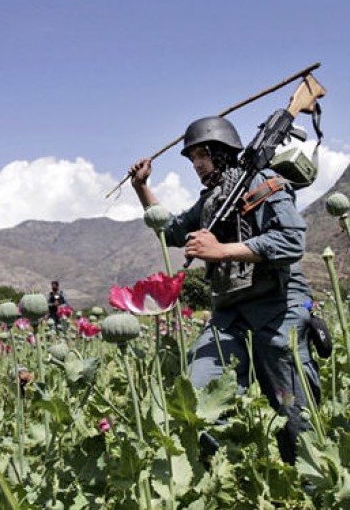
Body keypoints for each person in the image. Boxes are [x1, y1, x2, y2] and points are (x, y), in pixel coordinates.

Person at [128, 115, 320, 464]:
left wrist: (221, 250)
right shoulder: (213, 200)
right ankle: (227, 478)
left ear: (221, 152)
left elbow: (292, 241)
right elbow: (172, 231)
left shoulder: (265, 182)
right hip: (230, 313)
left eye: (202, 155)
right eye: (192, 159)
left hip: (278, 307)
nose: (197, 165)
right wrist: (142, 188)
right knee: (198, 400)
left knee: (294, 412)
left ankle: (307, 486)